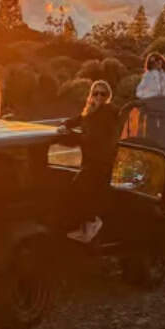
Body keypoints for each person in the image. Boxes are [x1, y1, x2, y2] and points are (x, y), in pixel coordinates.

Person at [57, 80, 120, 242]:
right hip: (90, 160)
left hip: (100, 162)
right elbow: (76, 120)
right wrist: (65, 125)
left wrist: (72, 135)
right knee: (85, 194)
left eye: (103, 94)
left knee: (79, 190)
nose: (99, 96)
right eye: (95, 93)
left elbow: (93, 138)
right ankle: (86, 229)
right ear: (91, 95)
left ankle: (93, 223)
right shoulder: (90, 111)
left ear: (108, 96)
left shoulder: (108, 113)